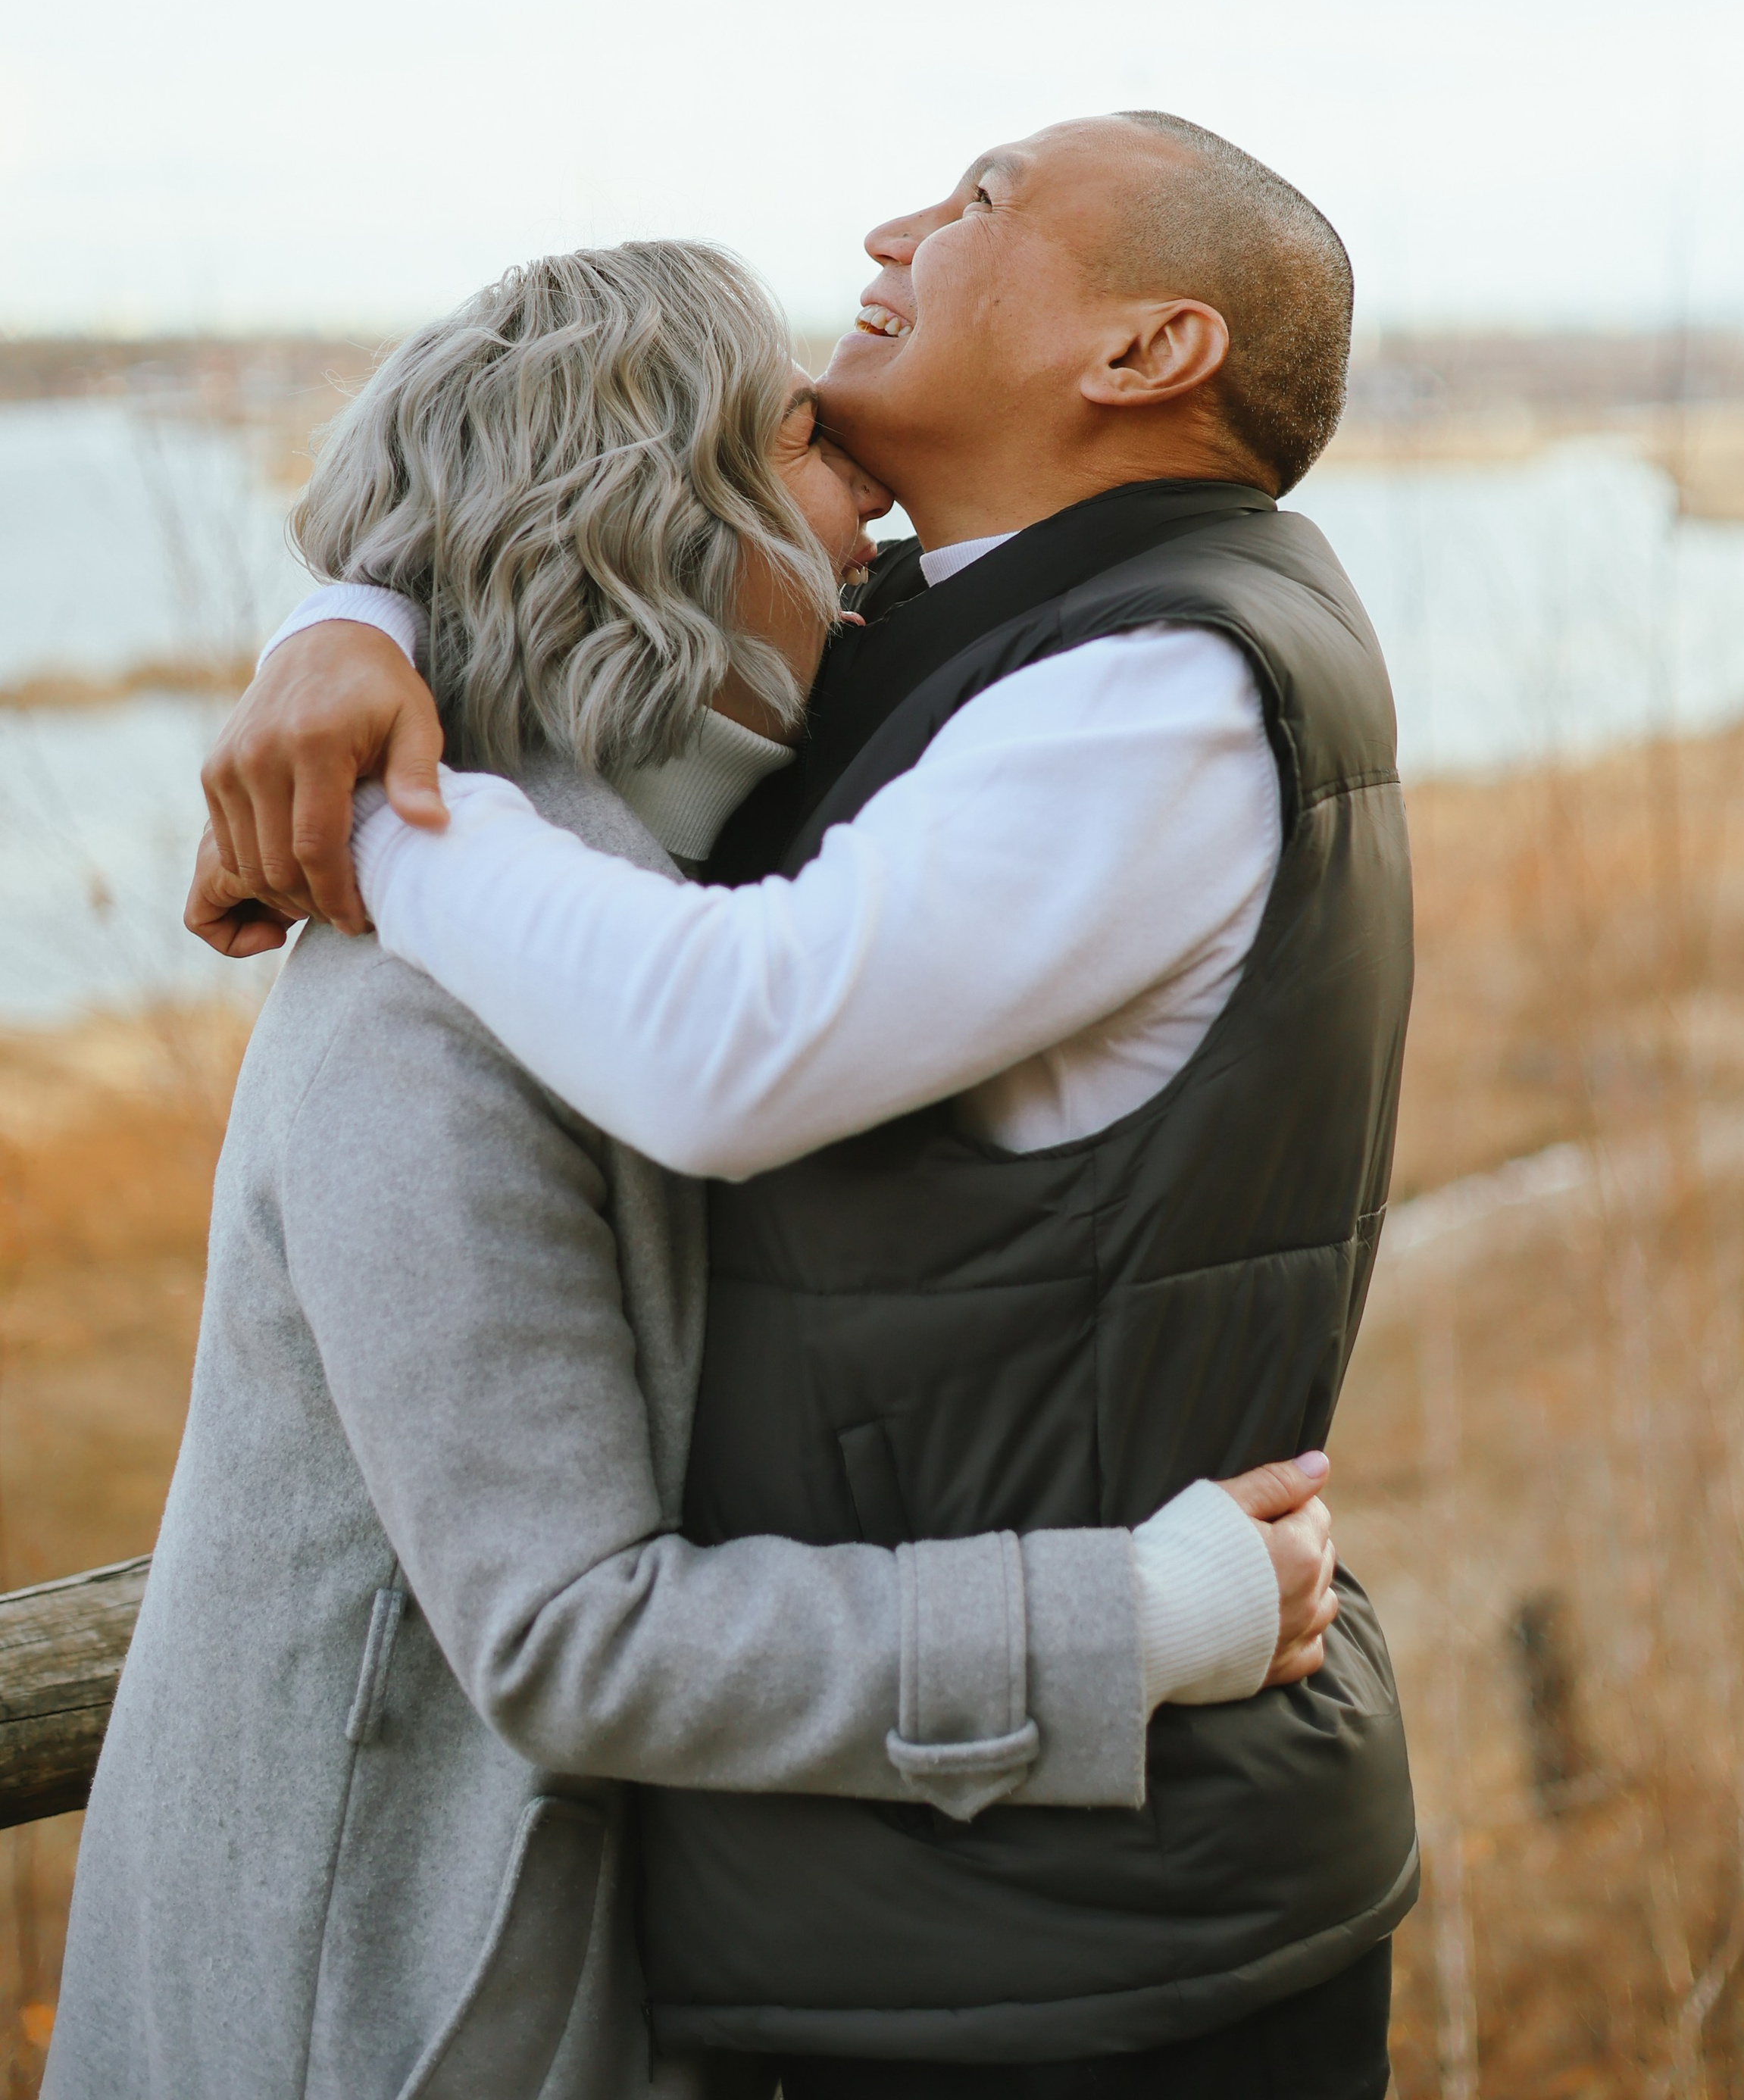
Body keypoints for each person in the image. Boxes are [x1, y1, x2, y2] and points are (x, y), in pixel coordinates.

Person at [190, 111, 1420, 2100]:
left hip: (1100, 1945)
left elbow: (722, 1049)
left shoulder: (1154, 698)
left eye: (988, 197)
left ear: (1145, 352)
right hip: (960, 1912)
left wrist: (379, 827)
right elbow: (535, 500)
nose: (895, 224)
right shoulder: (985, 632)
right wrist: (357, 627)